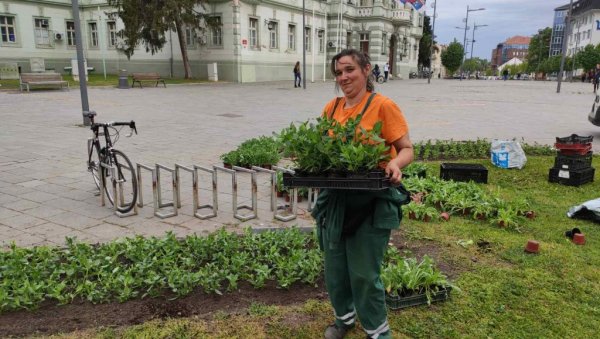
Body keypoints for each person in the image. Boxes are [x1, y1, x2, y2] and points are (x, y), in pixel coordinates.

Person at [312, 49, 413, 339]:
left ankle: (378, 331)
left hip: (371, 200)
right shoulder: (331, 108)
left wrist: (394, 163)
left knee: (364, 274)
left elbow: (406, 148)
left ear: (366, 70)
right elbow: (322, 149)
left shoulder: (382, 106)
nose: (343, 77)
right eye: (338, 72)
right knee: (335, 267)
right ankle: (343, 319)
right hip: (336, 199)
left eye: (349, 70)